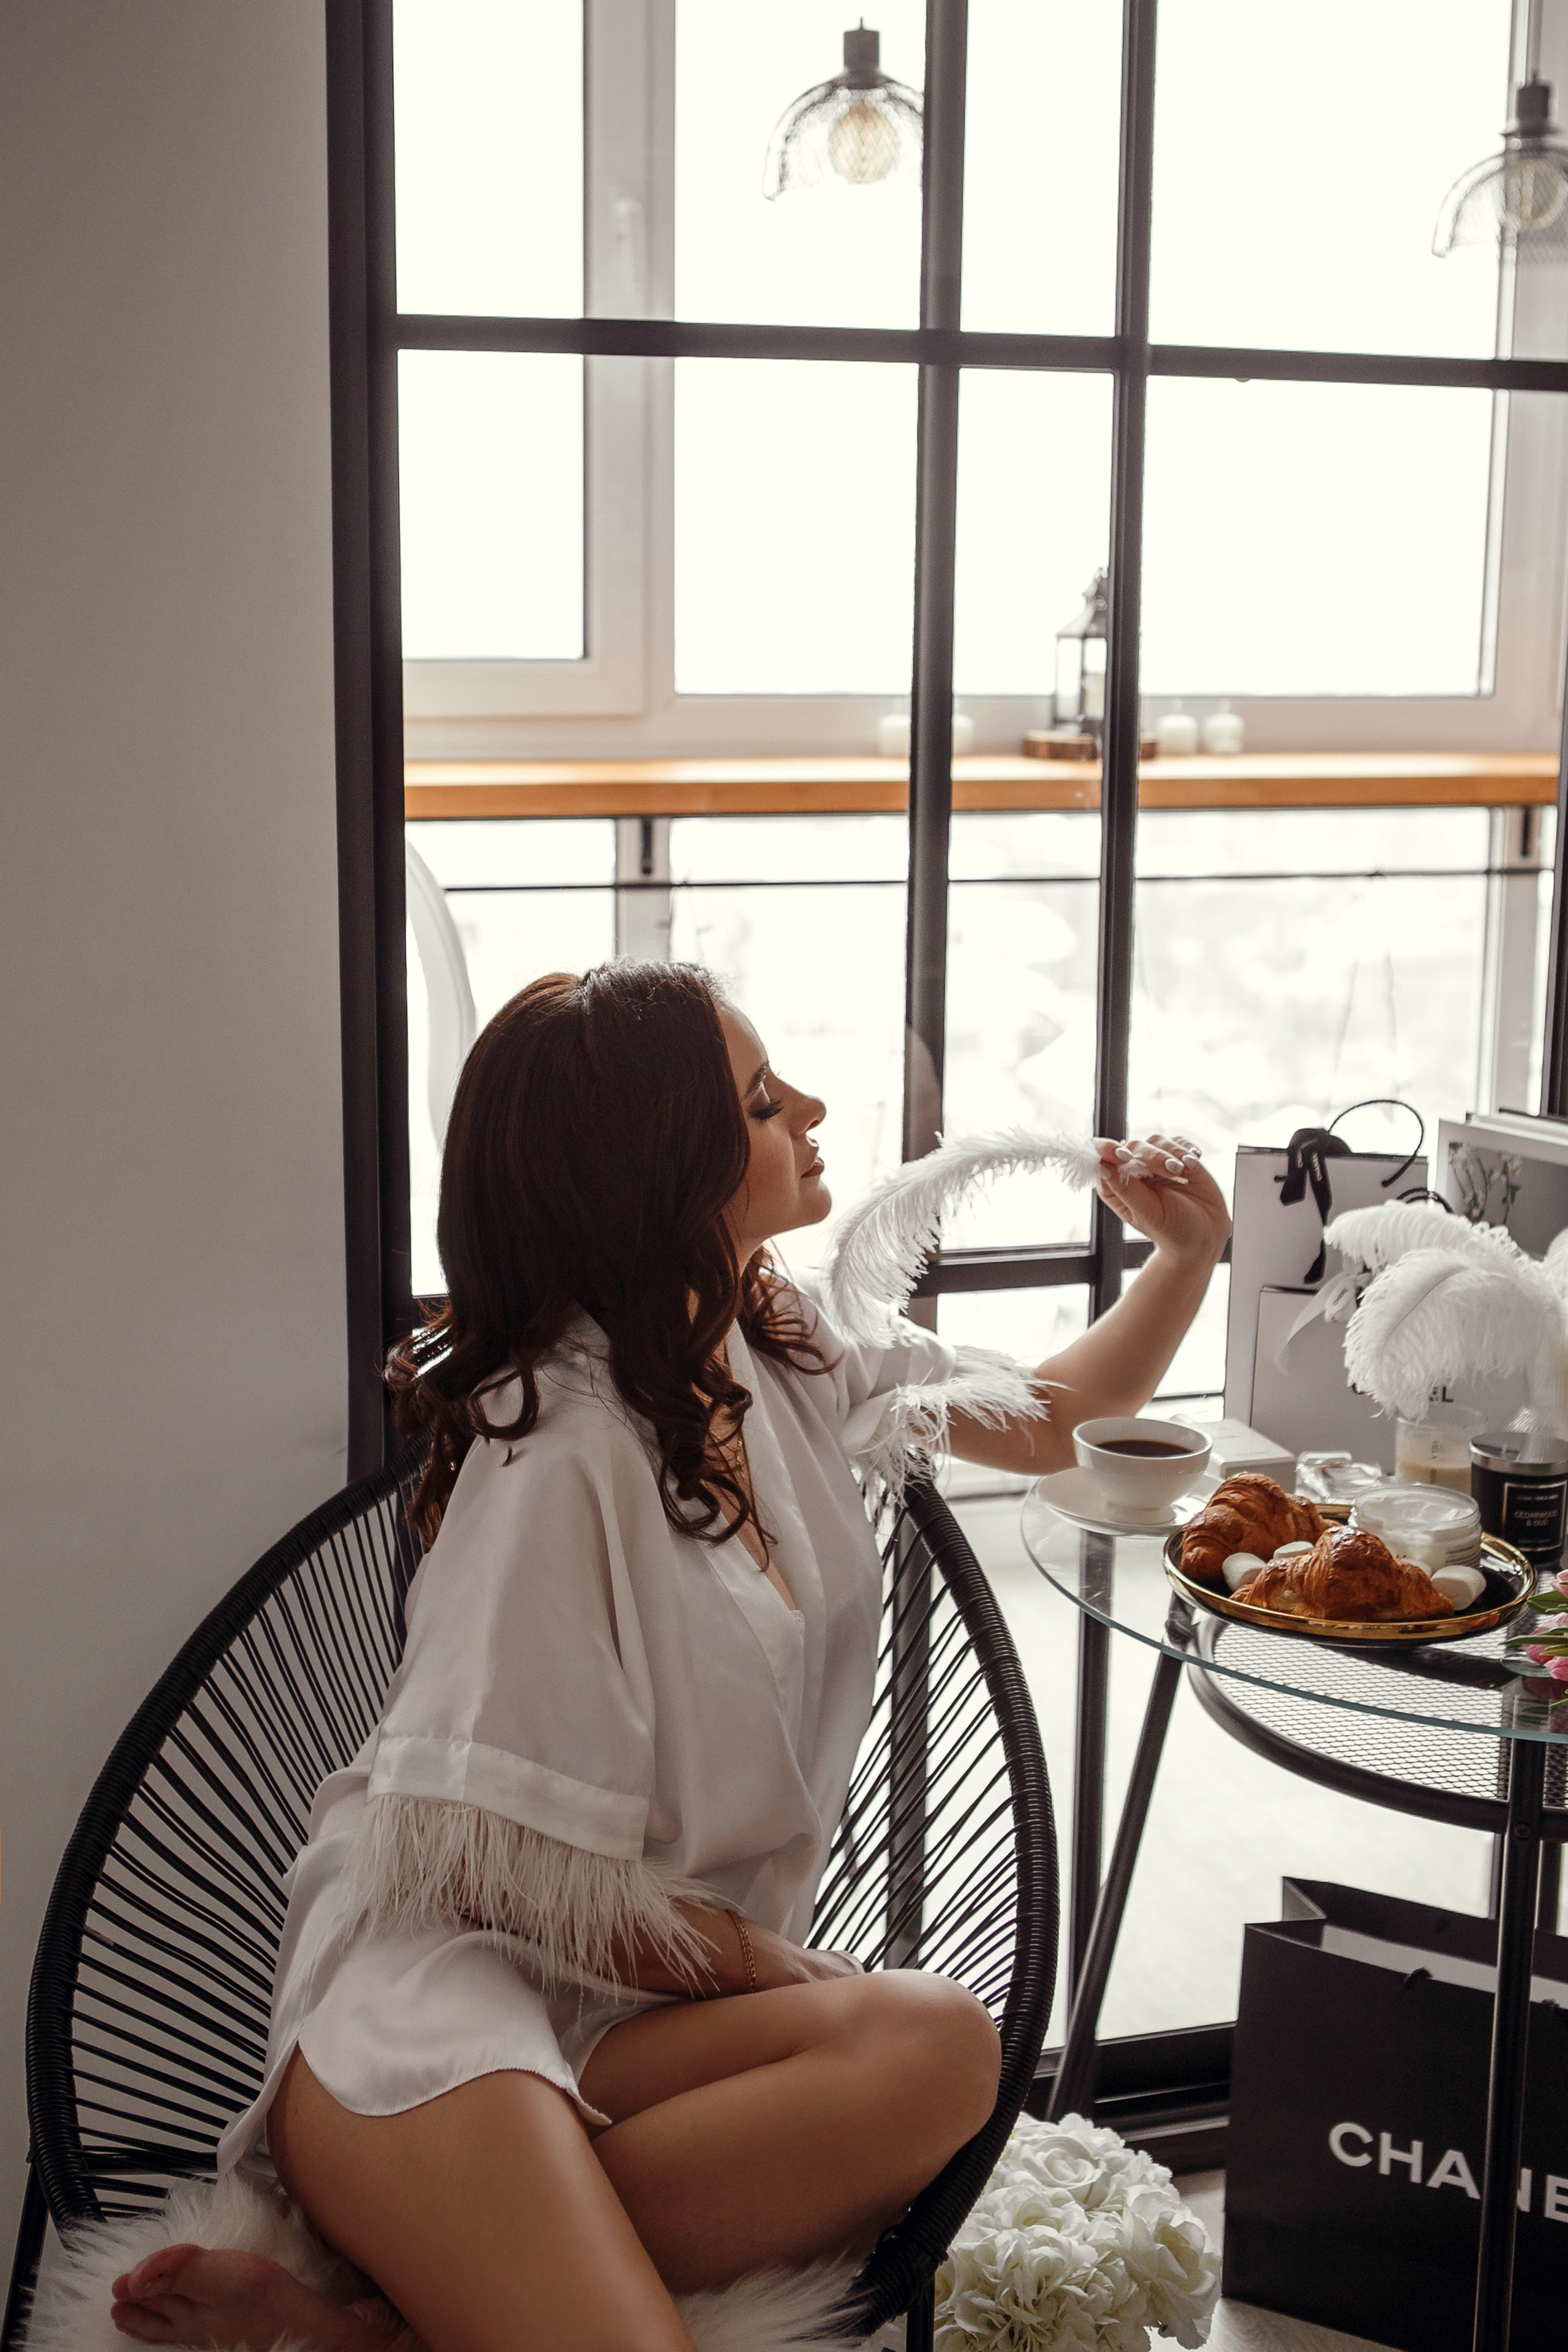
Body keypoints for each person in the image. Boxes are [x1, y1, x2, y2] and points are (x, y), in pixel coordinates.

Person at [106, 962, 1230, 2352]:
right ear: (662, 1175)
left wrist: (1183, 1257)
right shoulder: (551, 1453)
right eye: (762, 1103)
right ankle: (436, 2278)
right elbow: (495, 1872)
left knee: (939, 2040)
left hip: (638, 2008)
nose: (812, 1109)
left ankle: (384, 2328)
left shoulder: (775, 1337)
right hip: (443, 1999)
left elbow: (1051, 1415)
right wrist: (793, 1979)